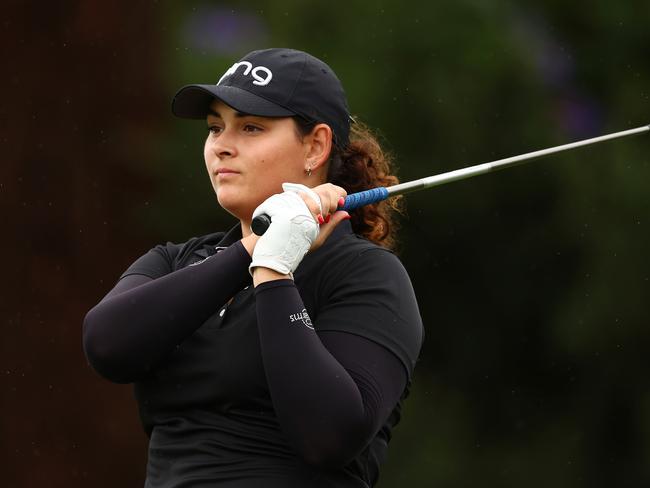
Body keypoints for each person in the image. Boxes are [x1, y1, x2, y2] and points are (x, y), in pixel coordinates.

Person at [83, 48, 424, 488]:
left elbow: (328, 436)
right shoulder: (176, 261)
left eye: (250, 127)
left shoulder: (365, 275)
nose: (222, 144)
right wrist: (255, 250)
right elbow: (107, 345)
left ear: (316, 146)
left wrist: (274, 274)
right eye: (214, 128)